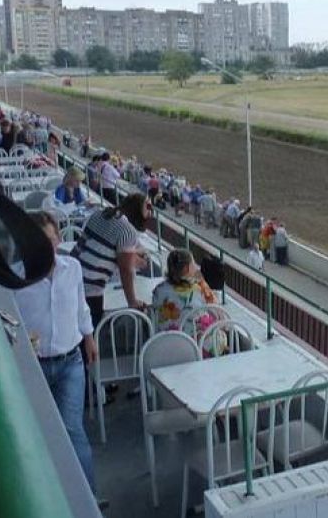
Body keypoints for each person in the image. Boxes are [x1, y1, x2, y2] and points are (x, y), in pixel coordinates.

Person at [12, 213, 100, 500]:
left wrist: (89, 337)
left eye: (50, 240)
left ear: (59, 240)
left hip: (70, 363)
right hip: (32, 368)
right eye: (39, 241)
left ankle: (87, 499)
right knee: (36, 432)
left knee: (72, 428)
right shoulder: (15, 276)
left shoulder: (72, 268)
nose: (46, 247)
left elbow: (81, 307)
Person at [73, 192, 151, 330]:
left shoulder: (100, 214)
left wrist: (134, 256)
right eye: (148, 207)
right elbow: (125, 269)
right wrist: (132, 301)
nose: (150, 212)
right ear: (137, 210)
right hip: (89, 289)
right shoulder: (127, 231)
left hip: (72, 279)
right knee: (90, 333)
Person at [152, 249, 218, 339]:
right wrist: (202, 282)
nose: (196, 267)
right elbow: (217, 312)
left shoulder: (158, 290)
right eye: (193, 264)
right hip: (193, 343)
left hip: (163, 342)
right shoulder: (197, 289)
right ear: (187, 268)